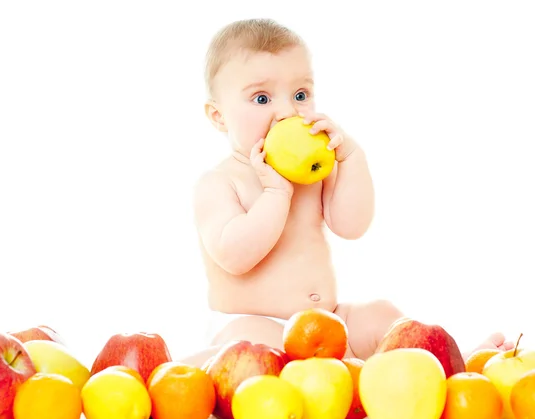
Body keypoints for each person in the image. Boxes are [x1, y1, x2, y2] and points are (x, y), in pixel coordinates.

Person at [182, 18, 513, 367]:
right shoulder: (219, 183)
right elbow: (234, 256)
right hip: (254, 325)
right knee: (252, 349)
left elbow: (351, 225)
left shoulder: (312, 170)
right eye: (262, 98)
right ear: (218, 116)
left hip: (327, 321)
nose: (287, 112)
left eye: (300, 95)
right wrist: (276, 195)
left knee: (382, 316)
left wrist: (351, 158)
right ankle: (182, 372)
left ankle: (456, 366)